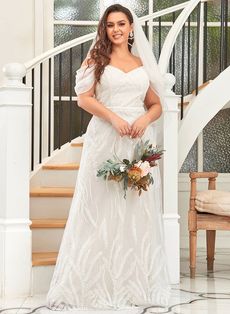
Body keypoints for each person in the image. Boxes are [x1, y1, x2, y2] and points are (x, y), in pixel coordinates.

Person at [46, 3, 171, 311]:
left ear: (131, 28)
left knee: (133, 209)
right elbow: (84, 99)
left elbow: (156, 105)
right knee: (99, 206)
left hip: (137, 142)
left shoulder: (142, 63)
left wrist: (144, 120)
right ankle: (93, 283)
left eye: (121, 24)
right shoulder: (96, 59)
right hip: (106, 137)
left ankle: (132, 282)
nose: (116, 29)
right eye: (110, 24)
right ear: (105, 29)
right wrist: (114, 118)